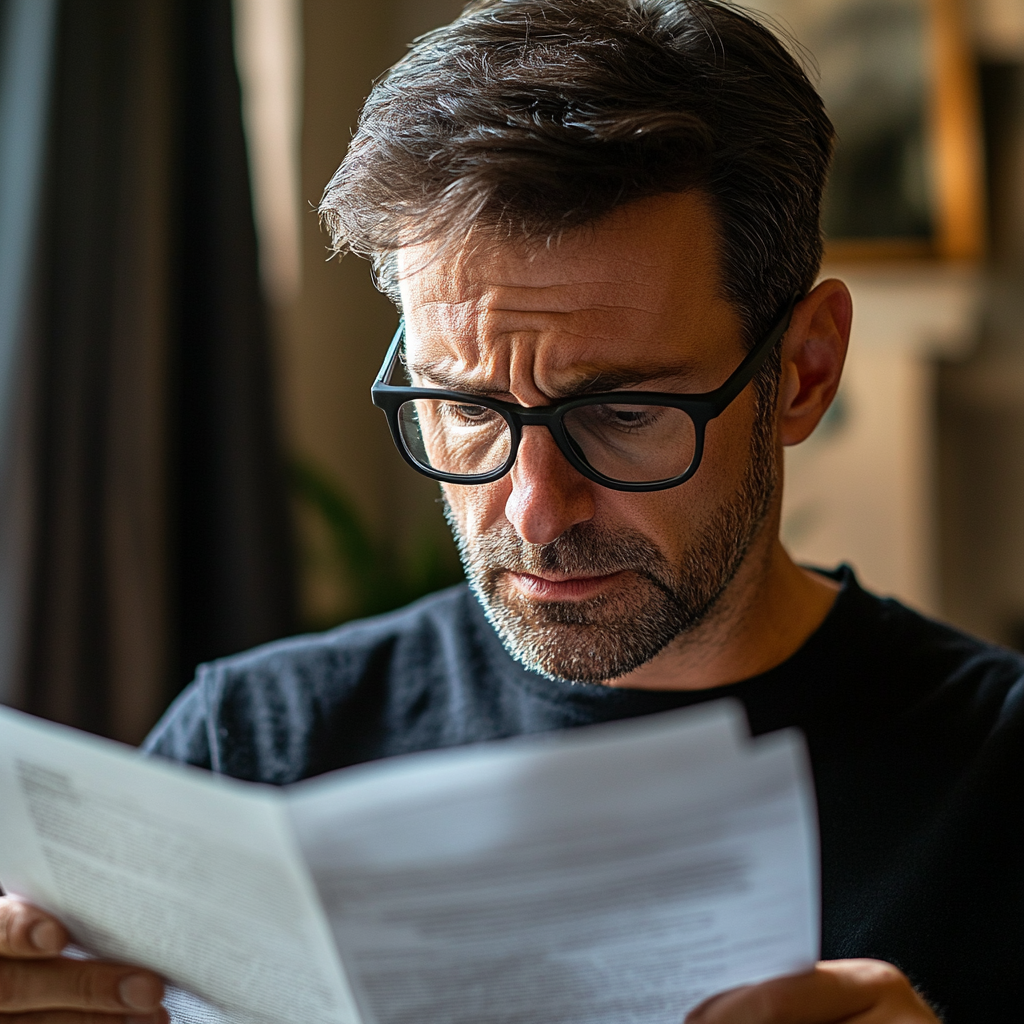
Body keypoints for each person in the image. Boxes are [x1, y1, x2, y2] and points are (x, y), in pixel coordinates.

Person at [1, 1, 1020, 1021]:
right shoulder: (252, 750)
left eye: (622, 411)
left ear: (801, 372)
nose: (534, 508)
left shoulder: (991, 777)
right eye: (463, 407)